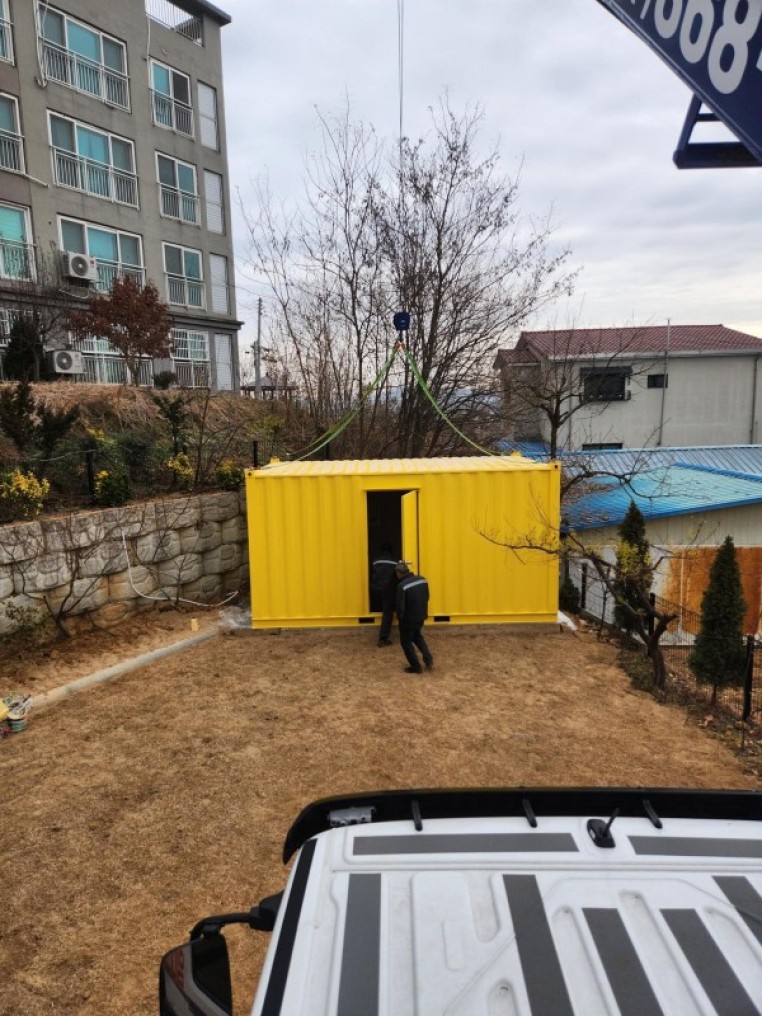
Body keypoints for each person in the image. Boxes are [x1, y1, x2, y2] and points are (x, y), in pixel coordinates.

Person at [395, 561, 433, 675]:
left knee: (406, 642)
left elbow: (400, 606)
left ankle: (416, 667)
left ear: (399, 573)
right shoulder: (422, 580)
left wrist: (400, 619)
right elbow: (427, 596)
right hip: (421, 616)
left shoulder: (402, 586)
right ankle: (428, 660)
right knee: (417, 637)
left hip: (408, 620)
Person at [370, 542, 398, 647]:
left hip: (376, 589)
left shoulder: (375, 561)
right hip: (388, 590)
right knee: (387, 613)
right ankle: (383, 638)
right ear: (391, 550)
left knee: (382, 606)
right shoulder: (395, 562)